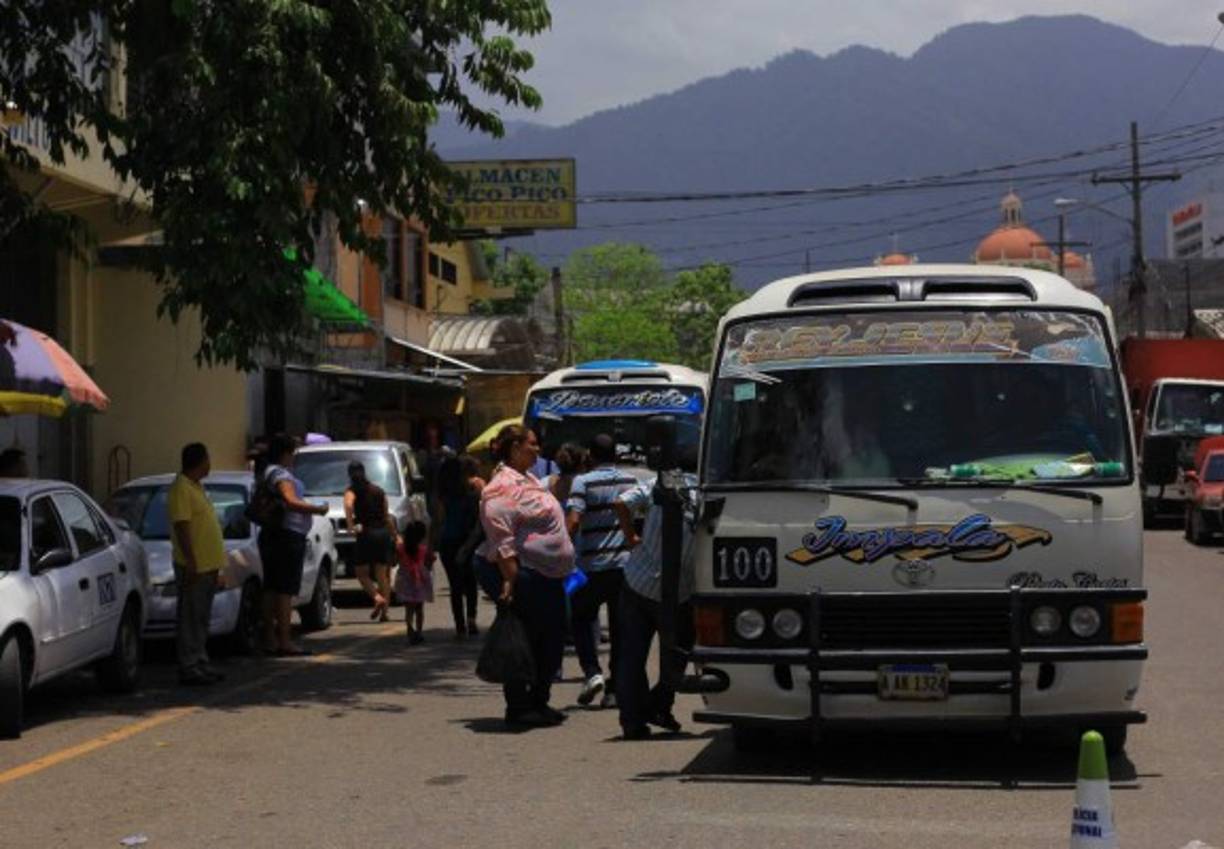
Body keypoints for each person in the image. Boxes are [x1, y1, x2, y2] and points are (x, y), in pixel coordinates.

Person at [474, 424, 575, 728]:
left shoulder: (528, 479)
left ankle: (539, 701)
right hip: (525, 574)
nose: (537, 449)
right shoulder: (501, 487)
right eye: (532, 444)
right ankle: (518, 708)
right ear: (515, 447)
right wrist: (510, 579)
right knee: (524, 639)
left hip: (548, 575)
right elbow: (501, 539)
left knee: (552, 637)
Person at [613, 447, 700, 739]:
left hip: (638, 580)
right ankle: (659, 703)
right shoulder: (704, 491)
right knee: (679, 650)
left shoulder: (659, 483)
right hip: (677, 592)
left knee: (631, 656)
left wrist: (631, 538)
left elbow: (622, 502)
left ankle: (633, 720)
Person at [566, 434, 638, 709]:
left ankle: (592, 671)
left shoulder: (582, 482)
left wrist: (561, 549)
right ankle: (615, 689)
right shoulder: (631, 481)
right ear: (616, 456)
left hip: (591, 567)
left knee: (580, 616)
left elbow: (573, 521)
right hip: (624, 566)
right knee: (620, 628)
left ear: (591, 456)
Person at [258, 433, 328, 656]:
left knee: (271, 588)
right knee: (284, 591)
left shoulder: (267, 471)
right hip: (286, 536)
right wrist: (317, 509)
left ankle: (270, 638)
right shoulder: (280, 473)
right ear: (285, 453)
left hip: (274, 535)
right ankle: (284, 640)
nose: (293, 458)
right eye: (292, 453)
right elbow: (290, 501)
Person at [168, 443, 228, 685]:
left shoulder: (196, 486)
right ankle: (189, 665)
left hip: (208, 565)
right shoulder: (181, 487)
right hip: (195, 565)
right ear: (199, 461)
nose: (210, 464)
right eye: (207, 459)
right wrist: (191, 561)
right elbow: (182, 526)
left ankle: (200, 660)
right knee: (191, 617)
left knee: (201, 617)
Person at [436, 453, 485, 638]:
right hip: (468, 541)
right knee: (470, 581)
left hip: (447, 542)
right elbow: (478, 521)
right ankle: (471, 619)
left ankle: (460, 625)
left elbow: (440, 521)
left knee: (455, 586)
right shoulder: (472, 493)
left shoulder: (444, 496)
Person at [344, 460, 396, 622]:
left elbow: (348, 504)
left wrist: (351, 524)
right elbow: (387, 516)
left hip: (366, 533)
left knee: (361, 572)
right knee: (382, 574)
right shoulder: (379, 491)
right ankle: (385, 613)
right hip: (383, 533)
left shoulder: (351, 490)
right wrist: (395, 535)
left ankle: (376, 597)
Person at [394, 521, 434, 644]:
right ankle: (419, 631)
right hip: (419, 581)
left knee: (409, 609)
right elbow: (430, 561)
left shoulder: (401, 548)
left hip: (405, 580)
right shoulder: (424, 549)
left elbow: (395, 560)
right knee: (419, 608)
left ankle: (409, 628)